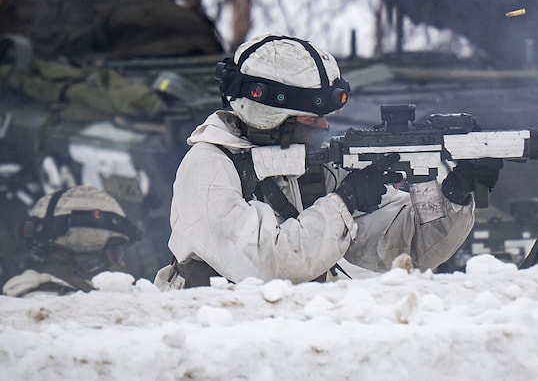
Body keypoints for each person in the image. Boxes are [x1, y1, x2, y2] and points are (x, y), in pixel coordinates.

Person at [155, 34, 502, 289]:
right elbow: (267, 264)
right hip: (213, 340)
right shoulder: (209, 166)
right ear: (270, 115)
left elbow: (408, 247)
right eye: (310, 119)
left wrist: (452, 195)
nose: (324, 126)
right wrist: (344, 201)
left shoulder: (315, 167)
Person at [2, 185, 139, 297]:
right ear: (83, 243)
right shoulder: (55, 306)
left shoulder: (21, 298)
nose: (122, 264)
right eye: (116, 251)